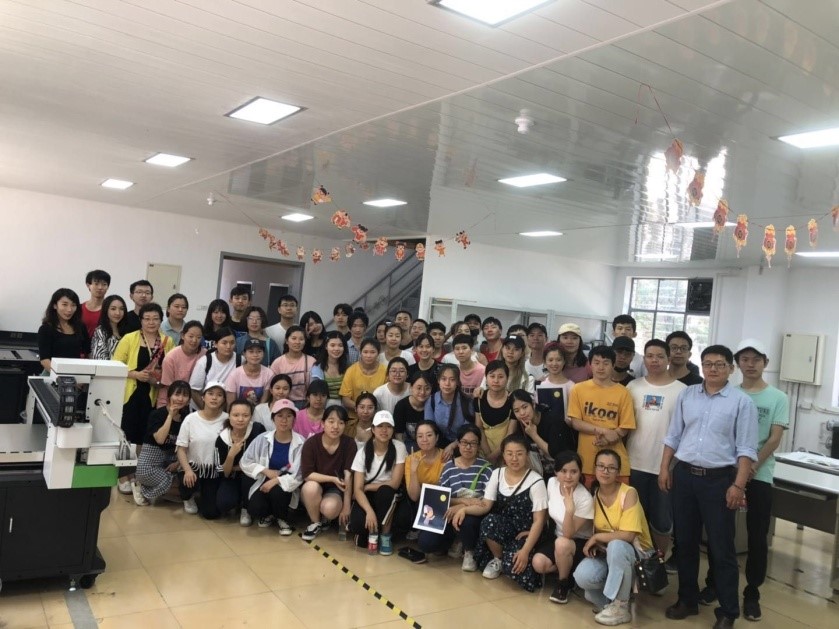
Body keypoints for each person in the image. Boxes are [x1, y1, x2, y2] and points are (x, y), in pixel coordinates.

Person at [660, 344, 759, 629]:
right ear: (701, 366)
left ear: (731, 368)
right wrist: (665, 468)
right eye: (708, 364)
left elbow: (746, 449)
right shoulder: (687, 395)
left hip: (719, 481)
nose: (713, 369)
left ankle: (728, 611)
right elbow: (673, 435)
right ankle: (687, 600)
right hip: (684, 477)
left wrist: (738, 486)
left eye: (719, 364)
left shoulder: (742, 403)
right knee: (685, 543)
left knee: (721, 547)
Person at [695, 339, 789, 622]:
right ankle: (714, 583)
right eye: (745, 360)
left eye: (756, 359)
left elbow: (773, 438)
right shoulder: (729, 393)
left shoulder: (777, 397)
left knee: (757, 535)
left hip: (759, 474)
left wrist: (750, 468)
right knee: (721, 533)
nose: (750, 364)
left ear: (765, 363)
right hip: (727, 471)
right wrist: (737, 470)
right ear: (736, 365)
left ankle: (752, 593)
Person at [574, 449, 654, 626]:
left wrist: (597, 537)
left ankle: (621, 606)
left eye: (611, 468)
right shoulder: (594, 495)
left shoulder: (629, 493)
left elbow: (628, 535)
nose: (605, 471)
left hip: (637, 556)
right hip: (608, 553)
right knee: (582, 576)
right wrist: (597, 542)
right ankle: (614, 601)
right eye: (601, 466)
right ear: (594, 469)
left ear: (618, 472)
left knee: (617, 545)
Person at [626, 339, 685, 555]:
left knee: (662, 520)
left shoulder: (682, 391)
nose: (654, 360)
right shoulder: (633, 386)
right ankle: (637, 562)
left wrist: (669, 466)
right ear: (644, 358)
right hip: (633, 463)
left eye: (660, 356)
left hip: (665, 467)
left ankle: (658, 563)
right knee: (634, 517)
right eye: (650, 356)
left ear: (668, 359)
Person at [472, 434, 548, 592]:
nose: (514, 458)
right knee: (489, 521)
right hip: (503, 529)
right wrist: (463, 509)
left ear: (527, 455)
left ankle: (514, 556)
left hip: (525, 534)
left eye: (519, 453)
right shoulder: (497, 474)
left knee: (516, 570)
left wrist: (525, 551)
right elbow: (485, 505)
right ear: (503, 455)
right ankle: (498, 558)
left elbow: (539, 521)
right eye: (509, 453)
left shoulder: (536, 481)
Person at [113, 302, 174, 492]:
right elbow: (115, 366)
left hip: (152, 395)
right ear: (140, 321)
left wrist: (158, 380)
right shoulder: (129, 338)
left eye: (155, 318)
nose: (151, 322)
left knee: (142, 436)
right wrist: (135, 374)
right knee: (126, 435)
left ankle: (136, 473)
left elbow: (169, 369)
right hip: (131, 394)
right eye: (147, 318)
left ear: (161, 320)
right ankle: (123, 476)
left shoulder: (167, 341)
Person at [424, 424, 492, 571]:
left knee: (467, 520)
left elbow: (486, 501)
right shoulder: (449, 467)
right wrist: (461, 502)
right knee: (426, 543)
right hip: (450, 511)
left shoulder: (486, 468)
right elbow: (441, 497)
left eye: (473, 443)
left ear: (478, 446)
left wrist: (462, 507)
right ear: (458, 444)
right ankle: (454, 540)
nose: (468, 447)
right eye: (464, 442)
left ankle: (469, 552)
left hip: (474, 514)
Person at [567, 346, 636, 489]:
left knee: (618, 502)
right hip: (586, 461)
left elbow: (626, 426)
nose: (601, 367)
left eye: (606, 363)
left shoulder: (623, 393)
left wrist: (612, 437)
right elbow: (575, 422)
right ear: (590, 364)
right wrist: (604, 431)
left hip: (615, 464)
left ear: (613, 365)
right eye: (596, 362)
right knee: (586, 502)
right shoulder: (578, 389)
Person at [533, 451, 594, 604]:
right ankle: (568, 568)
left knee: (562, 543)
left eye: (574, 471)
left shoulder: (585, 498)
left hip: (579, 542)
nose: (568, 476)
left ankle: (563, 583)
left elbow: (568, 534)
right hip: (557, 536)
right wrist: (534, 528)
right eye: (563, 471)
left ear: (580, 473)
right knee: (538, 564)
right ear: (556, 472)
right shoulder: (552, 483)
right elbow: (546, 513)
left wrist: (570, 510)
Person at [240, 399, 305, 535]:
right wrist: (265, 471)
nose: (284, 420)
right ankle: (270, 514)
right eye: (279, 416)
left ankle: (282, 518)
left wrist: (276, 480)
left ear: (294, 419)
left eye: (289, 416)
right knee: (255, 508)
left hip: (288, 484)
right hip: (265, 480)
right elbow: (245, 462)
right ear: (273, 418)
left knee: (277, 492)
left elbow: (300, 473)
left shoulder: (301, 442)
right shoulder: (262, 439)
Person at [348, 410, 407, 556]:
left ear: (393, 430)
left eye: (388, 426)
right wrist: (369, 512)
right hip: (366, 496)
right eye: (380, 426)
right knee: (358, 527)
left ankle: (385, 535)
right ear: (373, 429)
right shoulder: (363, 452)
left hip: (387, 494)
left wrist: (369, 486)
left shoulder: (399, 447)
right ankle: (372, 531)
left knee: (385, 491)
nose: (384, 430)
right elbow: (358, 489)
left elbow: (394, 483)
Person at [300, 405, 357, 541]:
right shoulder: (311, 443)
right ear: (322, 423)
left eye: (341, 423)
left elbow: (348, 476)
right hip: (315, 486)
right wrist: (332, 479)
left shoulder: (349, 444)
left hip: (336, 489)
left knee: (330, 509)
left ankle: (326, 517)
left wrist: (346, 506)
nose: (335, 426)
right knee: (310, 487)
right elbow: (307, 474)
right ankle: (315, 522)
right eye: (331, 421)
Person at [133, 380, 191, 505]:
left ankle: (151, 490)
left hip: (170, 460)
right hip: (149, 464)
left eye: (185, 395)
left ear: (189, 400)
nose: (180, 399)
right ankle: (141, 487)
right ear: (169, 396)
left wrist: (178, 462)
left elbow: (188, 444)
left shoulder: (187, 417)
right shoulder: (157, 414)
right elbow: (160, 439)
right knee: (178, 488)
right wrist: (170, 416)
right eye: (177, 394)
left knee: (188, 485)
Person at [175, 381, 229, 518]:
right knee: (187, 481)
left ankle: (206, 496)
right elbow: (181, 449)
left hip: (215, 470)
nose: (214, 398)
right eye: (210, 394)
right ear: (203, 397)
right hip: (193, 466)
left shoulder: (227, 419)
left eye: (219, 395)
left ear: (224, 400)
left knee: (211, 514)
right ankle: (188, 497)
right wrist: (187, 470)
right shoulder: (191, 419)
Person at [215, 398, 265, 525]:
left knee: (258, 506)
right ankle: (238, 501)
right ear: (229, 416)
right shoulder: (222, 439)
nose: (240, 419)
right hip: (232, 477)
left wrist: (238, 467)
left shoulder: (258, 430)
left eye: (245, 415)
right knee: (224, 503)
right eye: (236, 415)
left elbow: (263, 460)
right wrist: (231, 455)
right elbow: (224, 473)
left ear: (251, 416)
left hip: (254, 476)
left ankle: (246, 508)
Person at [401, 420, 445, 560]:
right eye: (420, 436)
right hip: (420, 504)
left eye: (429, 435)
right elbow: (414, 496)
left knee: (429, 543)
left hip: (441, 506)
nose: (424, 439)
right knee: (425, 544)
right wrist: (414, 471)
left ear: (437, 437)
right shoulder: (411, 459)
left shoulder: (446, 457)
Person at [511, 389, 576, 477]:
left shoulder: (553, 420)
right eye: (517, 411)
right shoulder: (521, 424)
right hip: (539, 474)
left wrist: (533, 435)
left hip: (562, 473)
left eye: (525, 407)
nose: (522, 413)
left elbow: (555, 454)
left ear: (533, 404)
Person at [425, 364, 474, 459]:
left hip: (462, 445)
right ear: (438, 381)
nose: (447, 383)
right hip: (438, 444)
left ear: (457, 382)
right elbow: (429, 428)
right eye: (443, 379)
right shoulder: (431, 401)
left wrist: (453, 445)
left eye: (452, 380)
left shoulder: (467, 402)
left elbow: (468, 430)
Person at [339, 339, 387, 436]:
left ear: (378, 353)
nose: (368, 355)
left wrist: (371, 410)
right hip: (354, 419)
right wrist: (362, 409)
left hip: (378, 417)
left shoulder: (385, 371)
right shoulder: (351, 370)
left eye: (372, 352)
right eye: (365, 352)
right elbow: (345, 399)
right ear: (360, 352)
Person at [38, 288, 89, 372]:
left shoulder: (81, 327)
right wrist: (62, 376)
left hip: (76, 373)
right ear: (55, 305)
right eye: (65, 304)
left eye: (73, 305)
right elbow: (44, 360)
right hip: (52, 373)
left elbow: (88, 352)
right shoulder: (46, 329)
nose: (69, 309)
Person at [157, 320, 205, 408]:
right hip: (170, 402)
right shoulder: (171, 357)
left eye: (198, 337)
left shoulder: (205, 355)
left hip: (194, 403)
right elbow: (168, 387)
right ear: (182, 336)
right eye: (191, 336)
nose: (194, 340)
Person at [475, 361, 515, 464]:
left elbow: (510, 432)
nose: (496, 380)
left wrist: (494, 455)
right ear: (486, 378)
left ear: (507, 378)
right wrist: (488, 454)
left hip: (506, 454)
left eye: (500, 377)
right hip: (483, 453)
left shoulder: (513, 400)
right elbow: (479, 427)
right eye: (492, 376)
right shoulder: (479, 398)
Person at [189, 327, 238, 409]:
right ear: (215, 344)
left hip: (228, 408)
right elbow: (194, 390)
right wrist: (207, 411)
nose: (228, 346)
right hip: (203, 407)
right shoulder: (204, 362)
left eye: (232, 343)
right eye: (224, 343)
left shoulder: (240, 360)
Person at [270, 325, 316, 408]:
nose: (297, 342)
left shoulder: (311, 361)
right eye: (294, 338)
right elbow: (272, 386)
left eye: (301, 339)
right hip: (282, 403)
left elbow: (314, 387)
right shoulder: (278, 363)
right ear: (286, 341)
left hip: (306, 404)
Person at [225, 338, 273, 406]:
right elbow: (230, 404)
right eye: (251, 351)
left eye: (259, 351)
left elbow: (263, 403)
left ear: (264, 354)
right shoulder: (234, 375)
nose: (255, 355)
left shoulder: (269, 374)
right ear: (244, 354)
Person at [393, 372, 432, 451]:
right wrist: (403, 451)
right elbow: (398, 433)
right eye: (419, 388)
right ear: (411, 388)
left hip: (430, 443)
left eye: (427, 388)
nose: (422, 392)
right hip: (409, 443)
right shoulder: (401, 405)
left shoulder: (434, 404)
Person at [311, 330, 349, 407]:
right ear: (326, 346)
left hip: (344, 406)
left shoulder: (348, 367)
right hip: (323, 406)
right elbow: (315, 392)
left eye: (340, 345)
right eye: (332, 345)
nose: (337, 349)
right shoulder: (317, 368)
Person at [90, 294, 128, 360]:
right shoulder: (100, 332)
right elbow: (100, 359)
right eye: (113, 309)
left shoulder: (126, 330)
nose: (118, 313)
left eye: (121, 309)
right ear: (106, 310)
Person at [80, 269, 110, 338]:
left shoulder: (110, 309)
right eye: (96, 284)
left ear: (107, 287)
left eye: (104, 284)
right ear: (88, 285)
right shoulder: (79, 308)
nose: (100, 287)